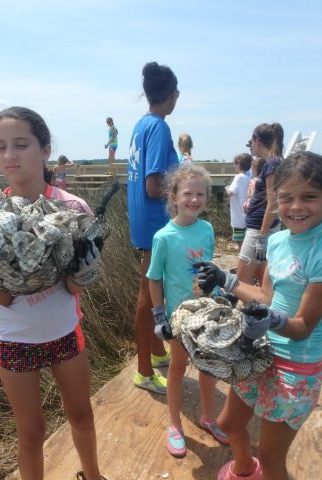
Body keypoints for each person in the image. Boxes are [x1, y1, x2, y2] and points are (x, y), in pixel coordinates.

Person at [195, 151, 322, 480]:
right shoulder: (279, 241)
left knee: (269, 456)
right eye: (286, 198)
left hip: (293, 370)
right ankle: (242, 467)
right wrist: (226, 280)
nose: (296, 207)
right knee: (228, 424)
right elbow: (265, 296)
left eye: (309, 197)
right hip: (259, 355)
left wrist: (272, 319)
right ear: (274, 200)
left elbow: (303, 326)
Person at [0, 107, 105, 480]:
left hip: (65, 330)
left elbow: (71, 286)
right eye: (0, 147)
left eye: (21, 144)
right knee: (31, 432)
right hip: (15, 338)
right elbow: (2, 297)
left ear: (45, 149)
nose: (9, 155)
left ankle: (93, 476)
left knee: (81, 414)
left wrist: (83, 274)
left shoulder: (72, 207)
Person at [147, 166, 228, 457]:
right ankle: (174, 425)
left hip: (208, 313)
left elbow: (208, 265)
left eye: (201, 194)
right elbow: (154, 278)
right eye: (188, 193)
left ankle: (208, 417)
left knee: (209, 368)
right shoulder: (163, 237)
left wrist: (221, 288)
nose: (194, 199)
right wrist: (159, 315)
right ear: (174, 197)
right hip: (179, 318)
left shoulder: (206, 229)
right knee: (178, 370)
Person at [127, 61, 181, 393]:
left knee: (150, 290)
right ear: (172, 95)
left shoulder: (140, 125)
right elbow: (152, 185)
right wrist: (184, 196)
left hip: (140, 220)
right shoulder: (159, 127)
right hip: (155, 223)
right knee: (148, 296)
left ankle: (158, 353)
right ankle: (144, 371)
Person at [239, 123, 285, 286]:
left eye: (251, 142)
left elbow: (272, 202)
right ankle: (259, 310)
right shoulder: (275, 162)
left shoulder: (272, 164)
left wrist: (261, 237)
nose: (250, 147)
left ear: (257, 141)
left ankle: (249, 310)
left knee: (242, 281)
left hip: (259, 229)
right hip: (264, 227)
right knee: (262, 279)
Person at [226, 153, 253, 250]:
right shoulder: (248, 177)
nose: (234, 165)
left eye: (235, 163)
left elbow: (231, 192)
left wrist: (227, 188)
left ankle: (243, 257)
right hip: (246, 213)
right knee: (245, 239)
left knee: (239, 239)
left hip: (238, 215)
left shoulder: (238, 177)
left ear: (238, 164)